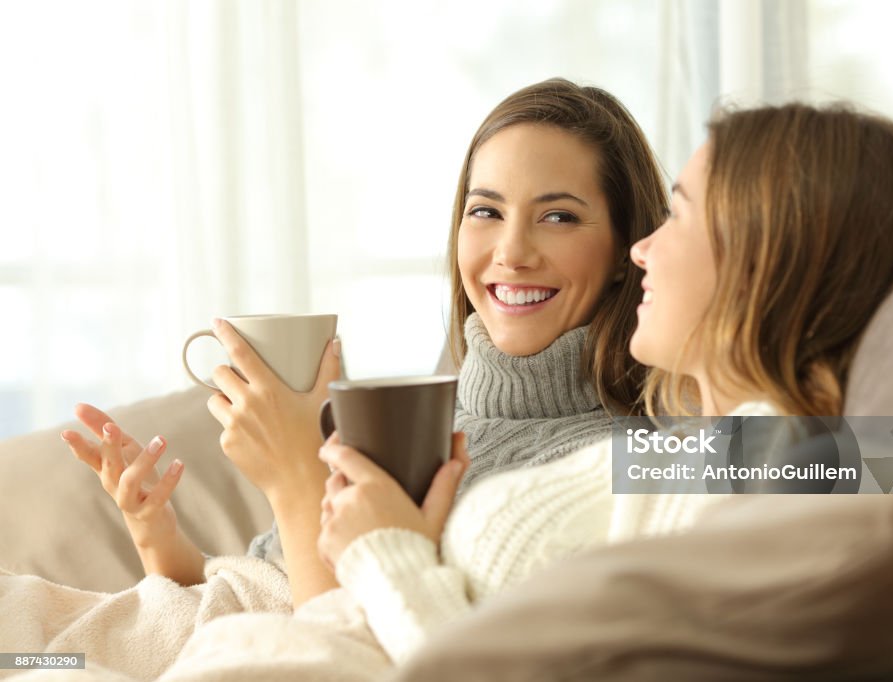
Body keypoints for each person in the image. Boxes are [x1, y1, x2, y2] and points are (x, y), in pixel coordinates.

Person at [2, 78, 667, 680]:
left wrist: (297, 478)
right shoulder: (421, 419)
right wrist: (157, 534)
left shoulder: (640, 463)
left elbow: (348, 655)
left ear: (625, 251)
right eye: (485, 211)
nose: (512, 253)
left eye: (558, 216)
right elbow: (252, 605)